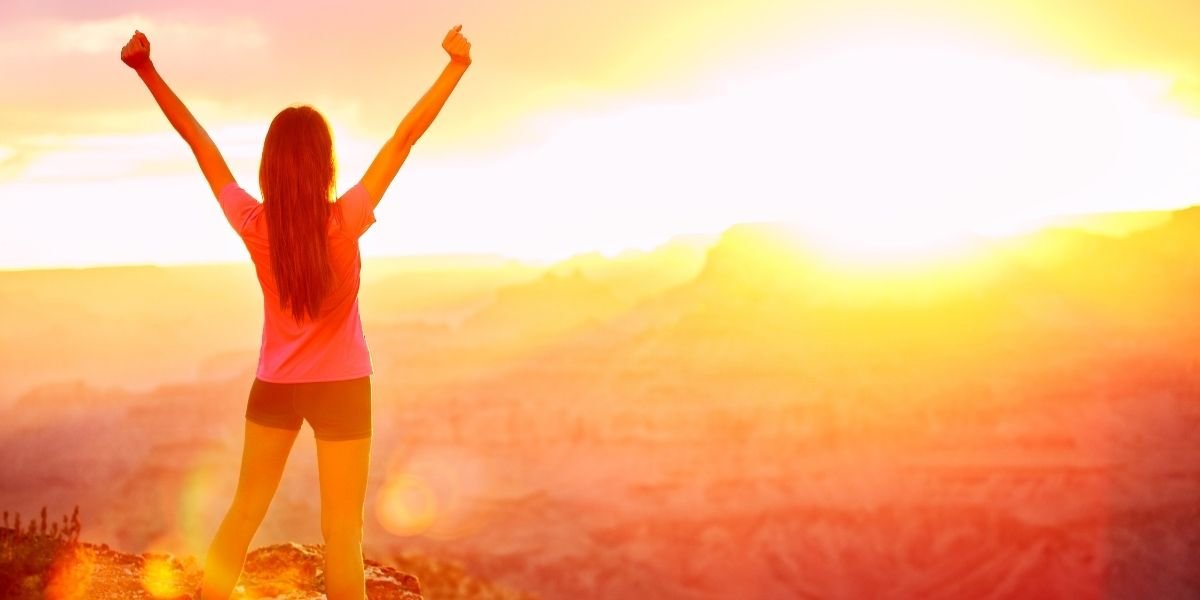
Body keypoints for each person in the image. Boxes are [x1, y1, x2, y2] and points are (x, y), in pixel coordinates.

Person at [120, 24, 472, 600]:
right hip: (343, 387)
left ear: (270, 167)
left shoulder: (255, 226)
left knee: (243, 512)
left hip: (276, 386)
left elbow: (198, 142)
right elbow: (405, 138)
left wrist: (146, 70)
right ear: (324, 163)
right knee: (342, 531)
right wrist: (456, 67)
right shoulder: (346, 219)